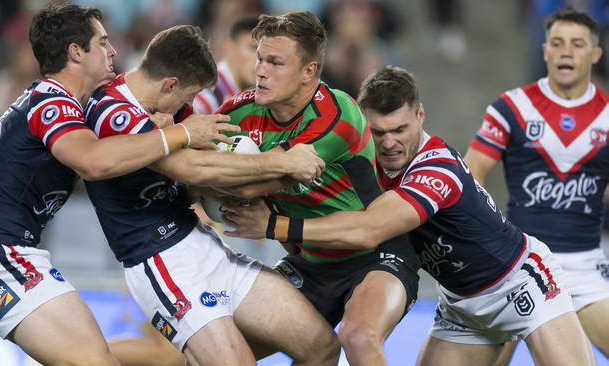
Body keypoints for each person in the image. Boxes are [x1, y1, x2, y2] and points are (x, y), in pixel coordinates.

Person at [224, 66, 595, 366]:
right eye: (378, 132)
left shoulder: (438, 168)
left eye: (400, 129)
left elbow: (369, 230)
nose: (389, 143)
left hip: (520, 283)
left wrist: (272, 225)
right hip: (461, 306)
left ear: (420, 115)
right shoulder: (364, 161)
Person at [0, 4, 235, 365]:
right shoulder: (53, 102)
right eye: (102, 42)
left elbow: (112, 148)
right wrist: (181, 133)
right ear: (76, 52)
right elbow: (94, 161)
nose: (113, 51)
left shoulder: (61, 102)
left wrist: (159, 128)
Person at [84, 24, 338, 366]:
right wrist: (281, 163)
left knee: (320, 347)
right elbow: (193, 169)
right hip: (159, 258)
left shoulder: (170, 107)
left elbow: (213, 155)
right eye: (188, 97)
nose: (190, 106)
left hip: (203, 243)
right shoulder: (111, 111)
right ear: (171, 84)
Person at [214, 12, 420, 366]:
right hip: (309, 264)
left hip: (376, 258)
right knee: (221, 350)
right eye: (260, 58)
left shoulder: (337, 115)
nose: (260, 70)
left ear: (308, 71)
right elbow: (196, 163)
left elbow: (262, 181)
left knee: (356, 336)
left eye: (275, 62)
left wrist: (226, 184)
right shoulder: (240, 111)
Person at [463, 7, 609, 363]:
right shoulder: (512, 107)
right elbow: (470, 174)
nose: (566, 52)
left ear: (595, 54)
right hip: (520, 263)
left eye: (577, 44)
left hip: (585, 265)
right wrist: (491, 239)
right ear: (544, 52)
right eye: (557, 43)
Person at [193, 16, 259, 114]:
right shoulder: (206, 97)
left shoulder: (260, 95)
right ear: (229, 48)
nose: (260, 59)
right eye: (253, 48)